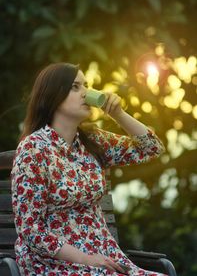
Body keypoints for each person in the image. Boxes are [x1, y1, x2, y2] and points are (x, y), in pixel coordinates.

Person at [11, 62, 167, 276]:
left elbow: (152, 148)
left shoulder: (93, 141)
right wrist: (88, 260)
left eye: (86, 86)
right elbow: (31, 231)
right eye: (75, 87)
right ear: (53, 95)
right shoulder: (33, 149)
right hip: (53, 263)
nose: (86, 93)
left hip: (104, 257)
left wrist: (118, 114)